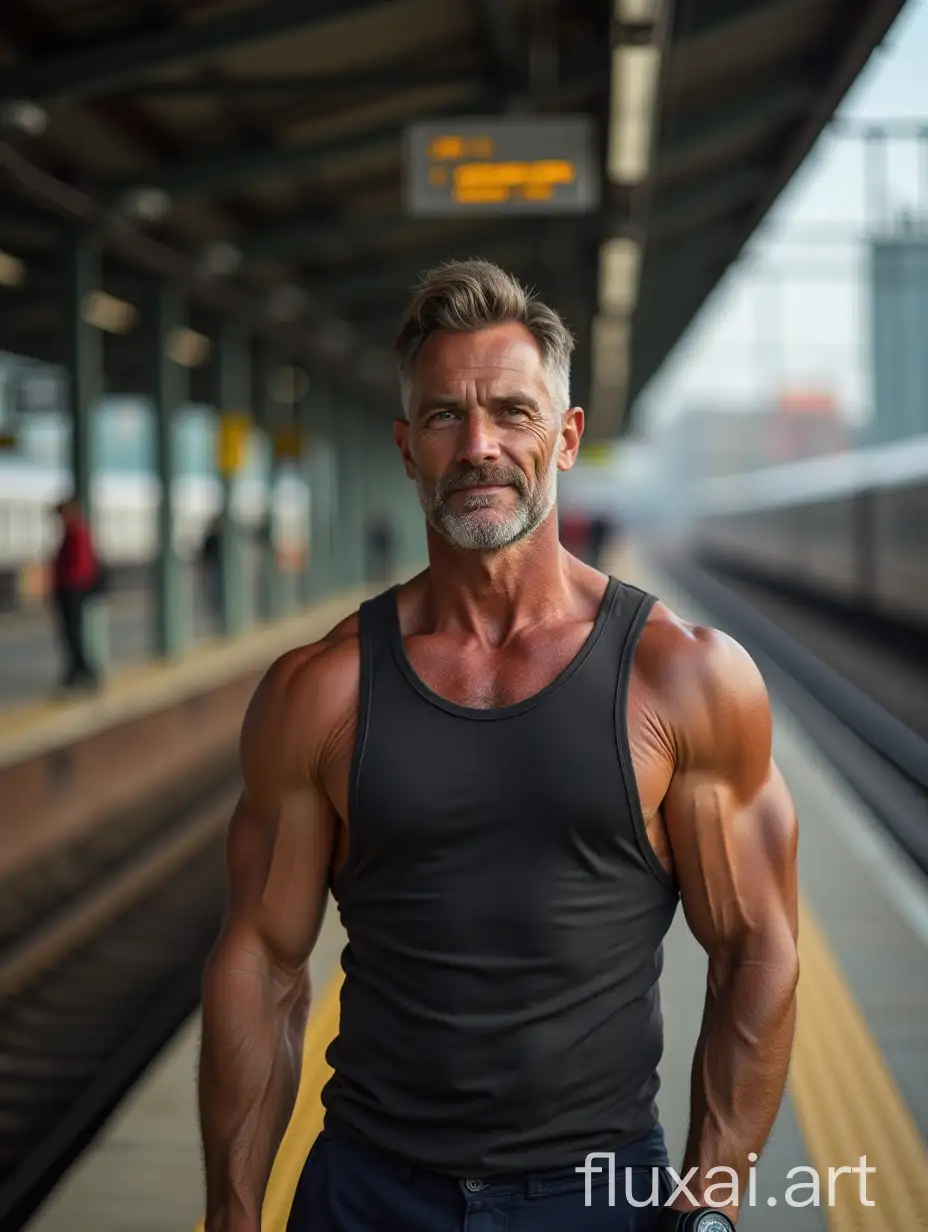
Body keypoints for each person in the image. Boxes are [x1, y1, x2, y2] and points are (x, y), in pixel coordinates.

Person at [198, 261, 799, 1232]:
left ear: (564, 437)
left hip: (599, 1194)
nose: (479, 445)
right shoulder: (321, 689)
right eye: (444, 417)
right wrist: (231, 1211)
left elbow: (755, 944)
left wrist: (715, 1189)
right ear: (406, 447)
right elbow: (263, 960)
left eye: (512, 412)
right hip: (365, 1190)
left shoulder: (682, 676)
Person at [51, 496, 101, 692]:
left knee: (74, 633)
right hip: (70, 589)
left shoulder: (77, 531)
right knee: (71, 634)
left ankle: (82, 673)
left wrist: (70, 584)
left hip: (72, 589)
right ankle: (78, 673)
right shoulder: (74, 531)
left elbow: (79, 564)